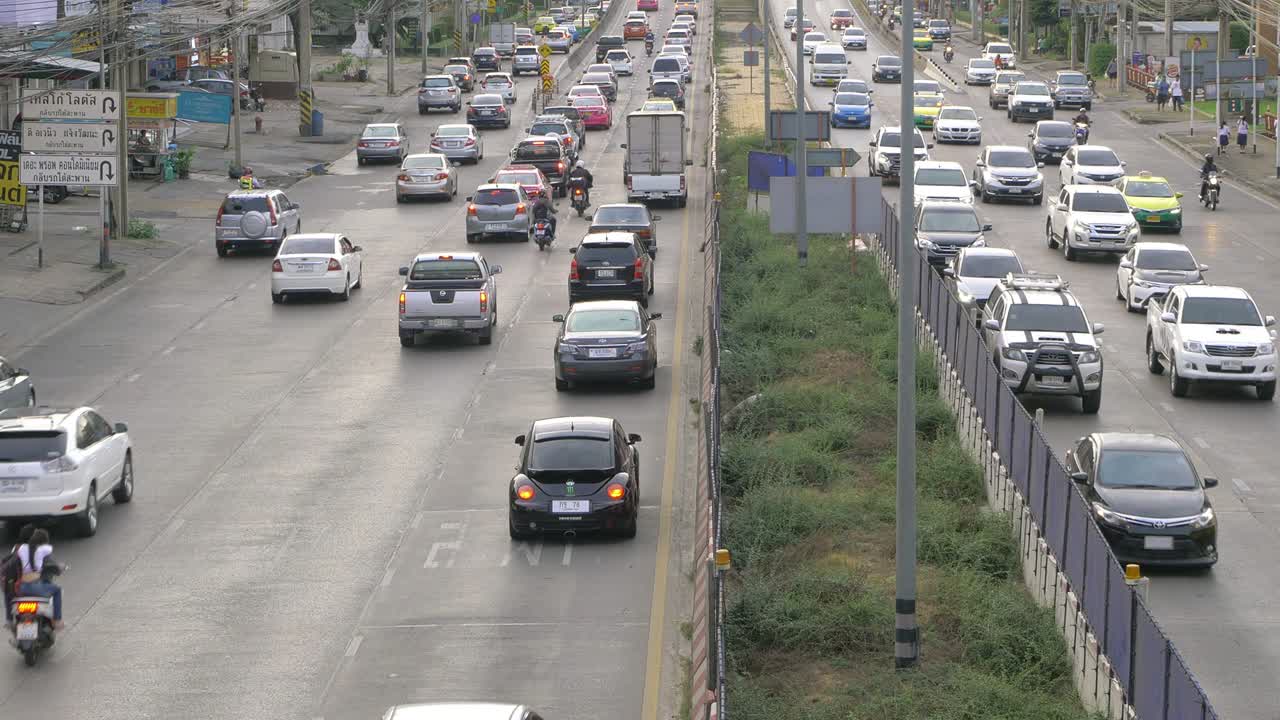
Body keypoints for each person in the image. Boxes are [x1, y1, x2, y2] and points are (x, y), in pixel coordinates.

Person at [16, 528, 62, 629]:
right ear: (44, 542)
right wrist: (59, 568)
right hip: (36, 587)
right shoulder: (44, 550)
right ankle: (57, 620)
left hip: (21, 588)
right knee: (57, 590)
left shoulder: (22, 549)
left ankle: (15, 626)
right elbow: (52, 565)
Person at [2, 524, 35, 628]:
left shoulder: (16, 548)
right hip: (31, 584)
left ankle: (9, 619)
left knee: (8, 595)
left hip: (15, 586)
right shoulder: (37, 548)